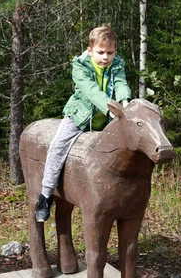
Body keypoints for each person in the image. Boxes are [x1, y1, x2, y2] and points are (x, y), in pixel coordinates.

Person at [35, 25, 132, 222]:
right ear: (90, 50)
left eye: (110, 53)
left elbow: (121, 83)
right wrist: (110, 106)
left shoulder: (117, 64)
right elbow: (90, 91)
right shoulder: (80, 66)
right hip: (80, 116)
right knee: (58, 146)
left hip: (107, 117)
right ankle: (45, 196)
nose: (105, 57)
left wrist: (124, 100)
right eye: (101, 52)